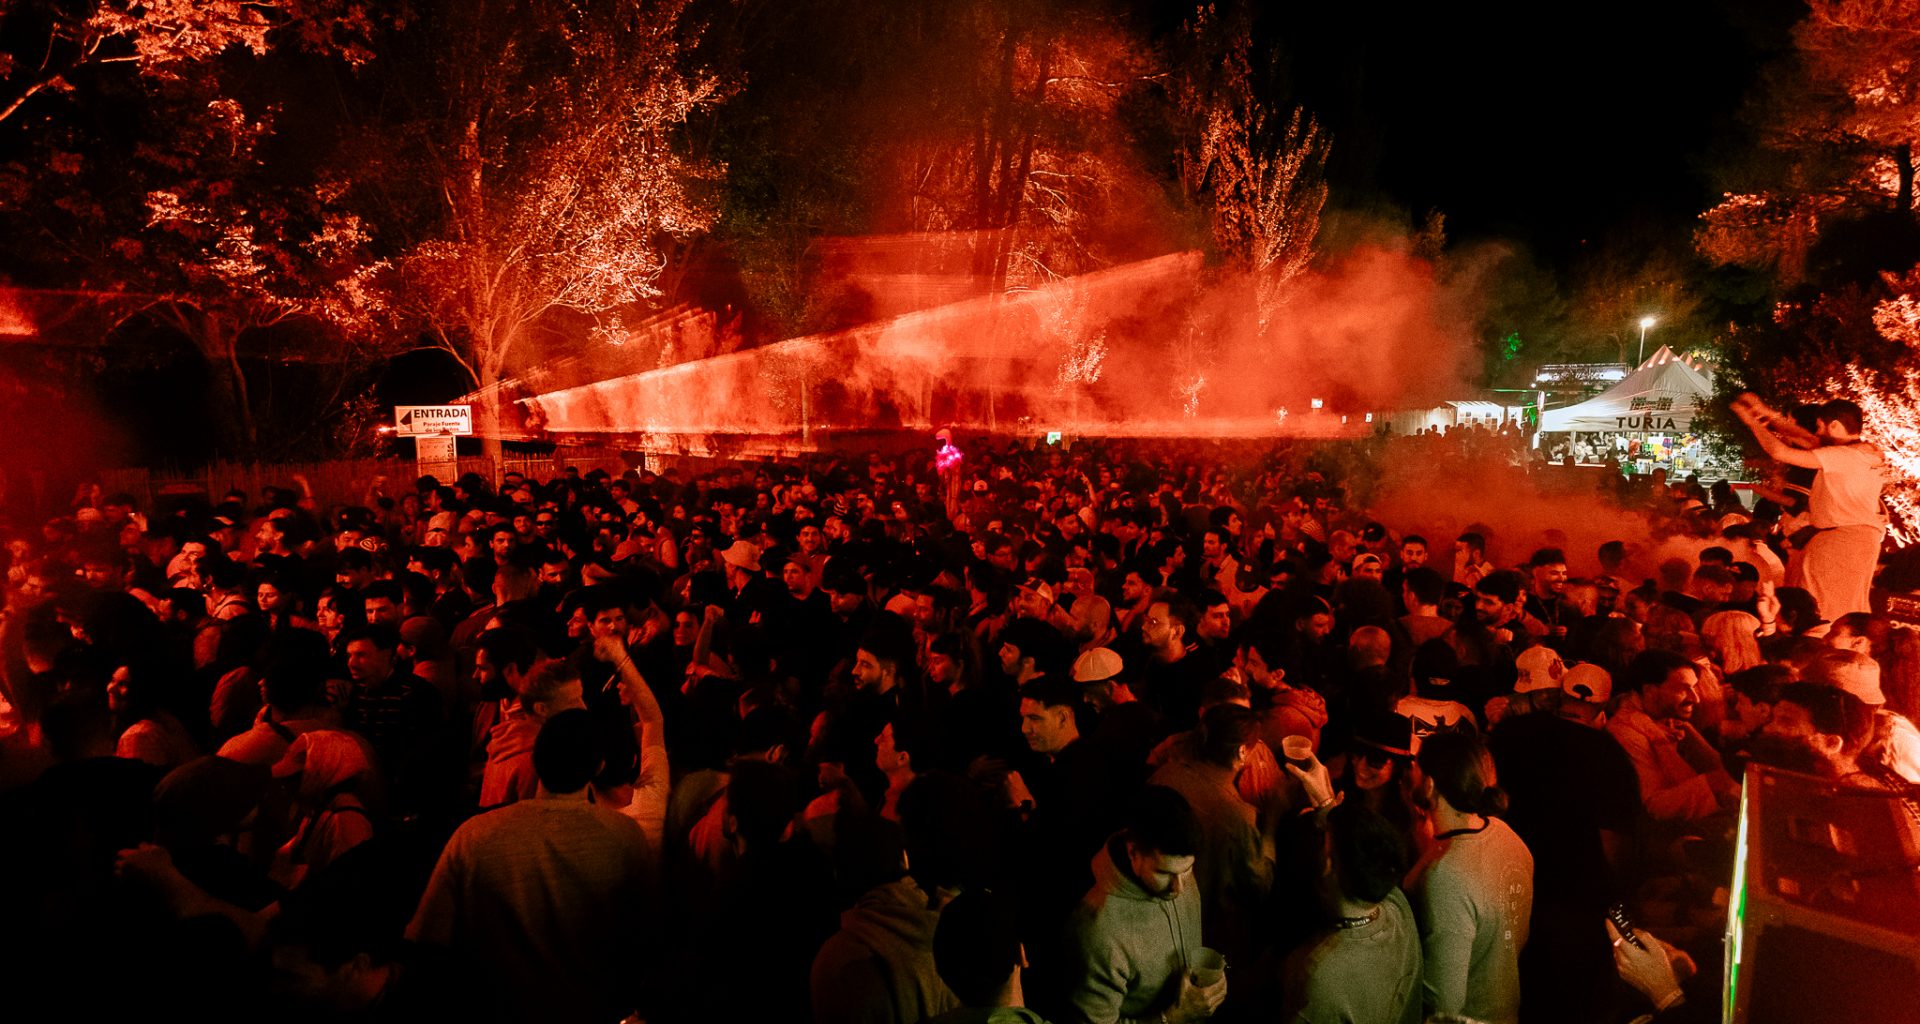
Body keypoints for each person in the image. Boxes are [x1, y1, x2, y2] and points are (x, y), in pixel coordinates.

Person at [406, 708, 651, 1024]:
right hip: (589, 1010)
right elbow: (644, 940)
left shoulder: (475, 836)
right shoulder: (624, 837)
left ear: (535, 761)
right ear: (599, 766)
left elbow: (428, 938)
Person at [1063, 786, 1225, 1024]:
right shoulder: (1096, 931)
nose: (1178, 888)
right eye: (1163, 873)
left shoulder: (1177, 872)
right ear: (1133, 852)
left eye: (1187, 870)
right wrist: (1174, 1017)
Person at [1407, 731, 1533, 1024]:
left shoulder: (1448, 876)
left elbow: (1443, 1001)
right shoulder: (1508, 837)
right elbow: (1515, 936)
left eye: (1415, 767)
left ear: (1429, 784)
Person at [1734, 395, 1887, 620]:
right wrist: (1766, 413)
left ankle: (1823, 646)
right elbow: (1804, 437)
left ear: (1834, 425)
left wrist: (1752, 422)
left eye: (1819, 427)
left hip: (1842, 539)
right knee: (1841, 603)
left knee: (1822, 605)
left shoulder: (1845, 456)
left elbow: (1780, 452)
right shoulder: (1863, 452)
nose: (1815, 433)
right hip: (1852, 538)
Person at [1279, 803, 1424, 1024]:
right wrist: (1327, 806)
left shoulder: (1319, 973)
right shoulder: (1397, 905)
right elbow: (1369, 849)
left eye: (1322, 839)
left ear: (1328, 864)